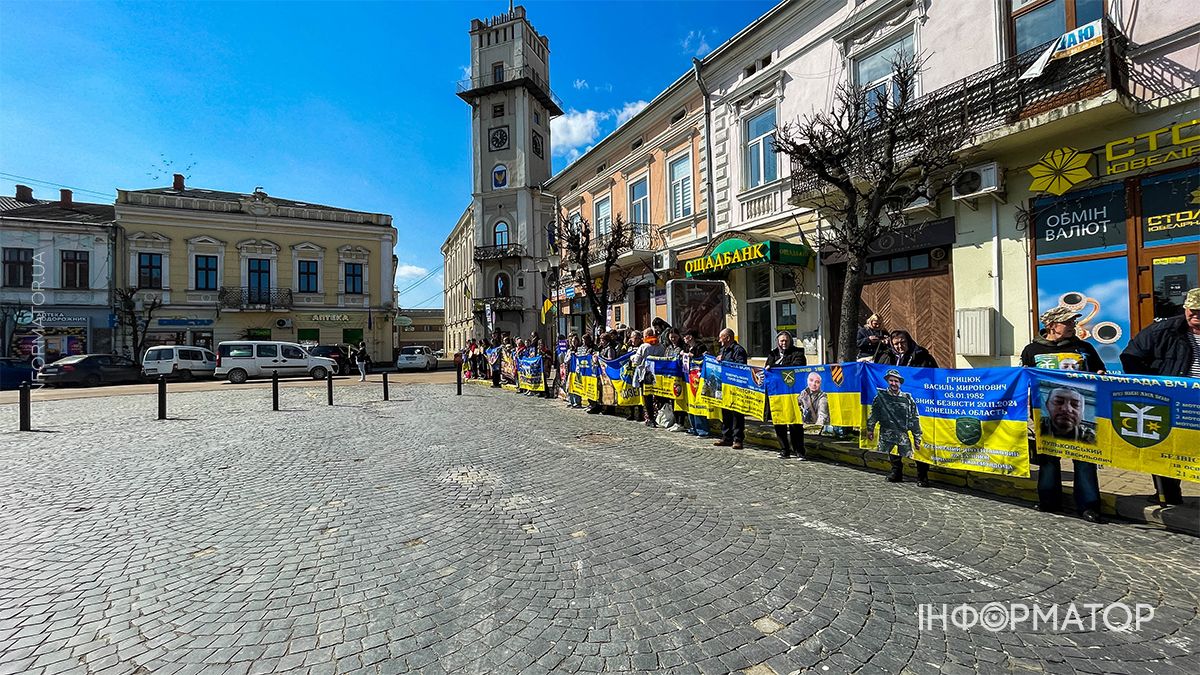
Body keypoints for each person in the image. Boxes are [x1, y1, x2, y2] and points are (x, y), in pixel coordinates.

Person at [1021, 306, 1105, 523]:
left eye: (1072, 322)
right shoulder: (1032, 350)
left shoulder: (1084, 348)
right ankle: (1049, 501)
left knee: (1084, 459)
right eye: (1067, 322)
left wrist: (1099, 375)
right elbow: (1025, 379)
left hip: (1082, 412)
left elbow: (1100, 370)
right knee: (1048, 458)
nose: (1072, 326)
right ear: (1051, 326)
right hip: (1047, 413)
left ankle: (1089, 506)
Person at [1120, 287, 1200, 506]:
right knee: (1166, 447)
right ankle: (1168, 495)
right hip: (1170, 399)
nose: (1195, 315)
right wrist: (1150, 387)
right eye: (1191, 310)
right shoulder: (1163, 331)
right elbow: (1130, 356)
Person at [873, 330, 937, 480]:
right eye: (896, 344)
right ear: (891, 344)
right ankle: (896, 471)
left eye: (903, 342)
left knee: (918, 438)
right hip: (892, 405)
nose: (900, 346)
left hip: (917, 405)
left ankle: (922, 475)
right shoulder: (885, 356)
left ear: (908, 341)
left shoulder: (922, 357)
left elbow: (934, 376)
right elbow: (877, 376)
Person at [865, 369, 926, 485]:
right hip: (886, 433)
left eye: (896, 381)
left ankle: (922, 476)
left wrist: (917, 437)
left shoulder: (908, 399)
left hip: (902, 433)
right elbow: (874, 414)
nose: (893, 383)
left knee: (913, 455)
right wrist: (870, 429)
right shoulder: (881, 397)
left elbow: (914, 418)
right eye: (891, 381)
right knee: (892, 456)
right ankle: (896, 472)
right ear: (888, 381)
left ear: (900, 383)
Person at [766, 331, 807, 459]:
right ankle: (784, 450)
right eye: (781, 341)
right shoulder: (773, 354)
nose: (784, 343)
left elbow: (796, 367)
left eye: (786, 340)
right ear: (778, 342)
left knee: (795, 423)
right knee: (779, 422)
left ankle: (799, 451)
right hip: (777, 393)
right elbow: (767, 367)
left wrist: (774, 367)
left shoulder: (798, 353)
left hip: (793, 393)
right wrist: (770, 367)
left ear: (790, 341)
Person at [713, 328, 748, 449]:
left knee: (737, 414)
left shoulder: (739, 350)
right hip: (725, 385)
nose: (719, 340)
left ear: (728, 338)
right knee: (726, 413)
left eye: (721, 337)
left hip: (736, 386)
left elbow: (740, 366)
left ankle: (738, 439)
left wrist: (724, 361)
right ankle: (726, 437)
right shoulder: (723, 349)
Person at [683, 330, 711, 438]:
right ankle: (693, 427)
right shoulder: (686, 347)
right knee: (691, 404)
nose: (684, 338)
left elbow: (701, 357)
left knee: (699, 403)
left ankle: (702, 429)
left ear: (690, 337)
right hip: (689, 378)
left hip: (699, 378)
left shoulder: (700, 346)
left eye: (685, 336)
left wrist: (689, 355)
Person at [662, 328, 689, 432]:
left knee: (680, 400)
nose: (673, 339)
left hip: (680, 377)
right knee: (673, 400)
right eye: (671, 337)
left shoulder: (682, 347)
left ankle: (681, 422)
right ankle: (675, 421)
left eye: (675, 337)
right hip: (671, 377)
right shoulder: (668, 348)